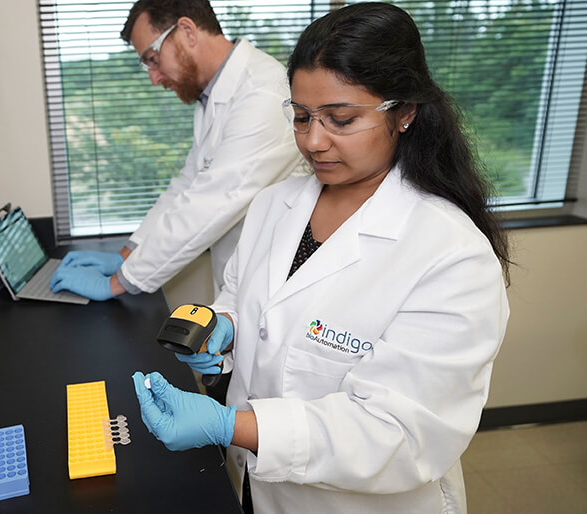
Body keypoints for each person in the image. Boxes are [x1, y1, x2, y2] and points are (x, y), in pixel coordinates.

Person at [132, 3, 512, 513]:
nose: (313, 141)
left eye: (341, 119)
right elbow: (246, 300)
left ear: (405, 113)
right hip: (261, 486)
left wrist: (230, 424)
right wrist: (224, 329)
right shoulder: (273, 205)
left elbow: (395, 433)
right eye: (302, 116)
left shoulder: (452, 255)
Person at [49, 0, 305, 302]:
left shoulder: (262, 94)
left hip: (272, 291)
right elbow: (187, 185)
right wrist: (126, 255)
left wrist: (118, 282)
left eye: (153, 58)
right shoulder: (215, 94)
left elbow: (209, 205)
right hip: (241, 284)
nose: (153, 78)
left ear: (187, 31)